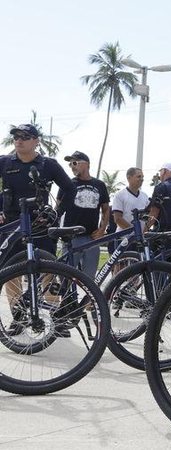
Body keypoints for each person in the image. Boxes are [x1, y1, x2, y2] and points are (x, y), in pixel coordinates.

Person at [1, 124, 75, 336]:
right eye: (16, 136)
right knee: (10, 274)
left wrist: (57, 213)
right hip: (12, 225)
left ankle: (56, 319)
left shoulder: (48, 164)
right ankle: (18, 317)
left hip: (41, 225)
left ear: (36, 141)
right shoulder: (4, 162)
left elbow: (69, 189)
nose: (19, 140)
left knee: (49, 272)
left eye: (24, 136)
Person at [58, 151, 110, 279]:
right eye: (70, 164)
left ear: (86, 164)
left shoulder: (99, 185)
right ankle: (67, 299)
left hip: (92, 238)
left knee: (89, 279)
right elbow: (58, 208)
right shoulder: (68, 184)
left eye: (74, 163)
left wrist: (102, 229)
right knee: (65, 277)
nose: (72, 166)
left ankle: (87, 300)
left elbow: (106, 209)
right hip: (71, 238)